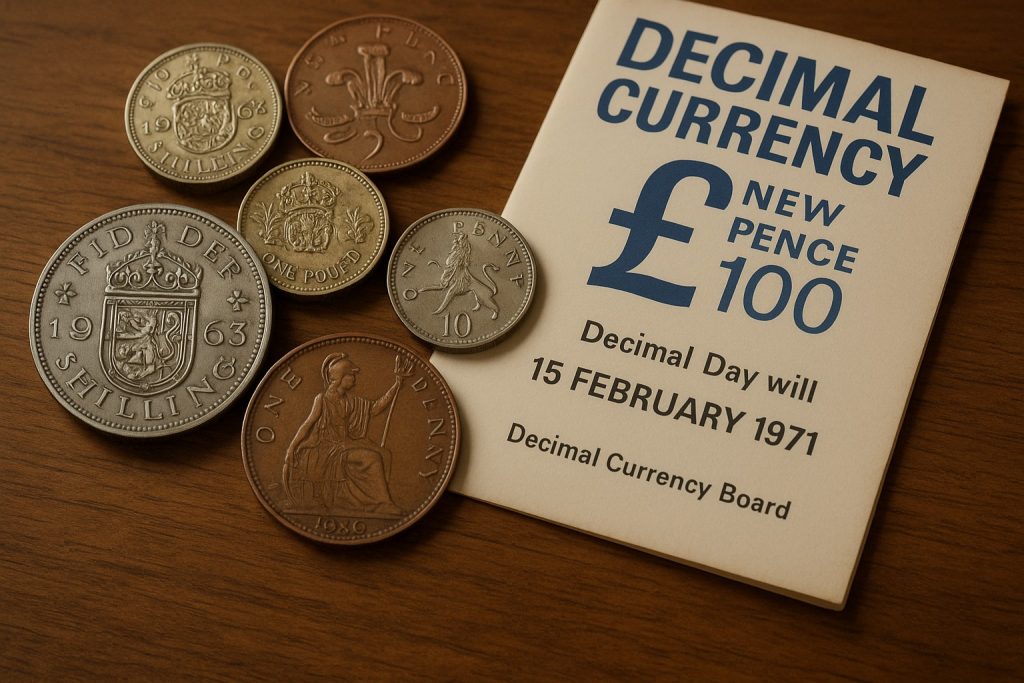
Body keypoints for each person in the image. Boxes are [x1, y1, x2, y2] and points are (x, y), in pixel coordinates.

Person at [283, 352, 411, 514]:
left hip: (344, 444)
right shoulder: (322, 399)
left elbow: (375, 408)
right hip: (327, 448)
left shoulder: (350, 400)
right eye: (351, 375)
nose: (354, 379)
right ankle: (381, 503)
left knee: (384, 453)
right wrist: (292, 447)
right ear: (340, 377)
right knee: (373, 458)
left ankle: (374, 500)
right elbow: (307, 424)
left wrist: (397, 385)